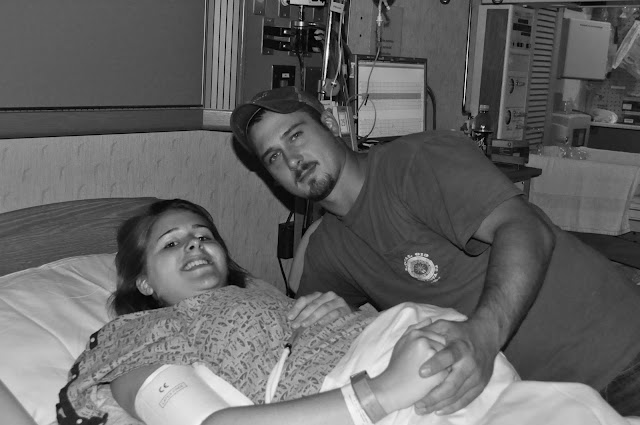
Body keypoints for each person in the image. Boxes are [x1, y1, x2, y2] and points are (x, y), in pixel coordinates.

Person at [229, 86, 640, 417]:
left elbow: (527, 228)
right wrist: (334, 314)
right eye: (274, 157)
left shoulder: (415, 162)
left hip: (620, 359)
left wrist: (483, 338)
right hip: (546, 404)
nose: (292, 159)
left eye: (296, 135)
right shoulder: (328, 250)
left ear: (332, 124)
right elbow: (306, 336)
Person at [56, 199, 475, 425]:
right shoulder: (141, 334)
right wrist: (383, 392)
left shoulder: (263, 294)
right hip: (386, 387)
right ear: (145, 283)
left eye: (204, 236)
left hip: (433, 343)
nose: (195, 244)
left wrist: (344, 312)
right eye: (171, 243)